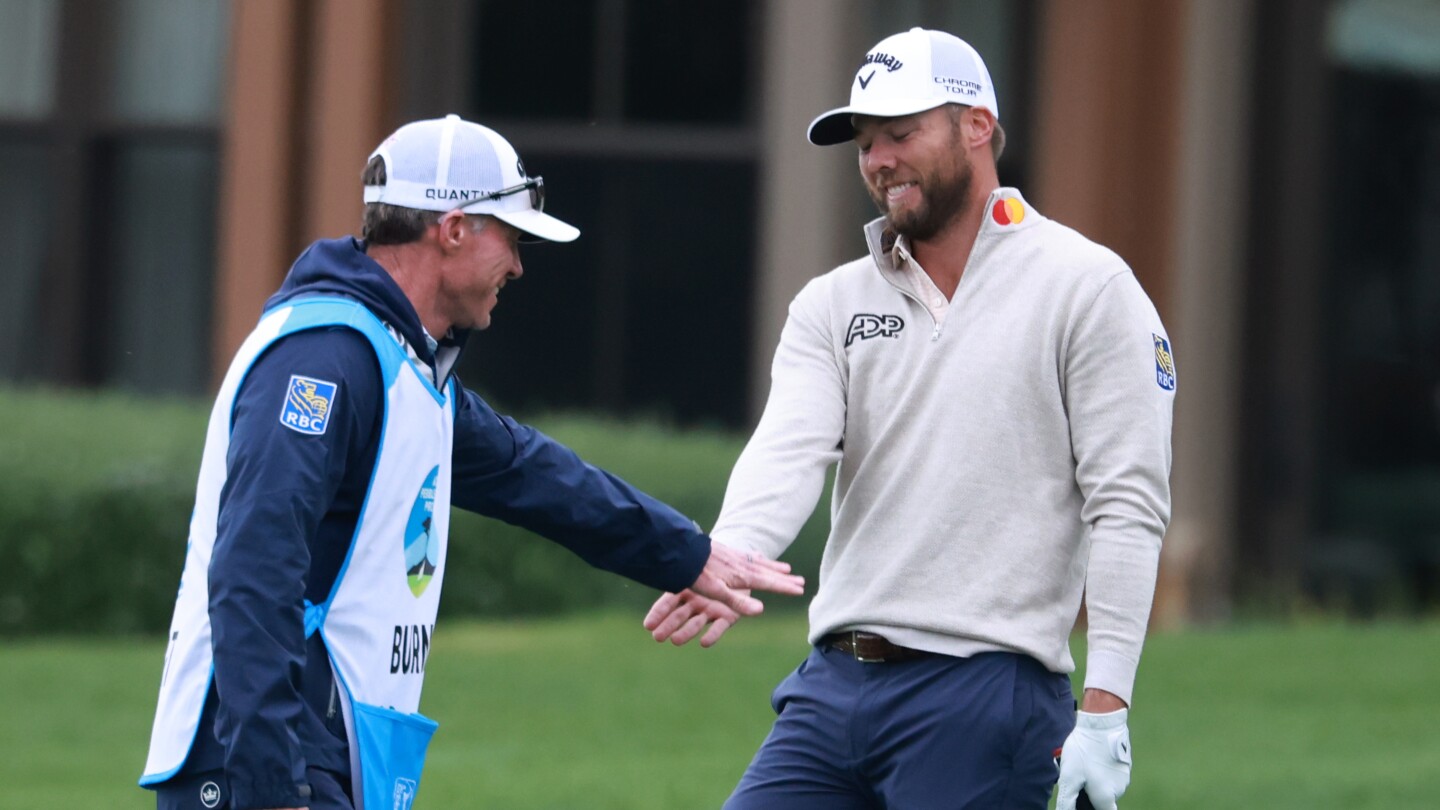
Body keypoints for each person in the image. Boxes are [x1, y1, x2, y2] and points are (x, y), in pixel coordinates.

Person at [139, 114, 804, 810]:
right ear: (453, 229)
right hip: (260, 760)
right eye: (511, 240)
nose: (517, 266)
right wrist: (274, 786)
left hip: (320, 748)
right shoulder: (324, 358)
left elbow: (536, 477)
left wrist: (687, 554)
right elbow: (252, 572)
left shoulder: (402, 363)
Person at [644, 27, 1173, 810]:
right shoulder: (832, 302)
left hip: (988, 694)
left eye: (900, 133)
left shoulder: (1087, 287)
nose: (878, 159)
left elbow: (1128, 503)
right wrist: (727, 554)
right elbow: (786, 451)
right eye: (864, 143)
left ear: (977, 127)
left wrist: (1107, 710)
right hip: (831, 692)